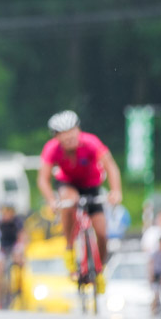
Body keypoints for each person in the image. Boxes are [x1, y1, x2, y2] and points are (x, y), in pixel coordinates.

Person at [37, 110, 122, 282]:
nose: (69, 137)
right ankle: (69, 246)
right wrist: (51, 200)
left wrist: (116, 191)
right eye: (64, 134)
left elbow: (111, 167)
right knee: (70, 201)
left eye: (72, 131)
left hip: (91, 185)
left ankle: (100, 269)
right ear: (56, 137)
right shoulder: (51, 149)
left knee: (102, 233)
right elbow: (43, 179)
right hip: (67, 183)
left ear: (78, 130)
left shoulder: (91, 143)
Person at [0, 203, 26, 309]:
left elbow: (22, 237)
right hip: (2, 247)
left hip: (14, 245)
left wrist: (20, 250)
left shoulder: (17, 222)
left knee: (21, 264)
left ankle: (20, 292)